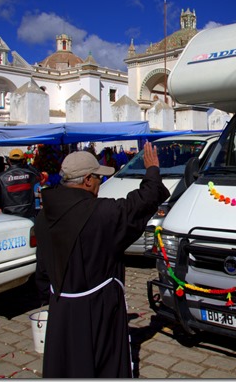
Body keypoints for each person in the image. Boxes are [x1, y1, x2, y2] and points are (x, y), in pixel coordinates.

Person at [34, 143, 170, 378]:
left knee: (68, 364)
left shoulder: (43, 215)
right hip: (97, 308)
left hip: (62, 309)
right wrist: (152, 170)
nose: (100, 183)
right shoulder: (99, 214)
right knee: (101, 361)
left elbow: (43, 271)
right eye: (98, 177)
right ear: (87, 180)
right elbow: (140, 204)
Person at [0, 149, 42, 220]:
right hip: (29, 216)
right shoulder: (32, 175)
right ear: (23, 160)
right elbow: (39, 195)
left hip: (8, 217)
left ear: (9, 161)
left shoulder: (1, 178)